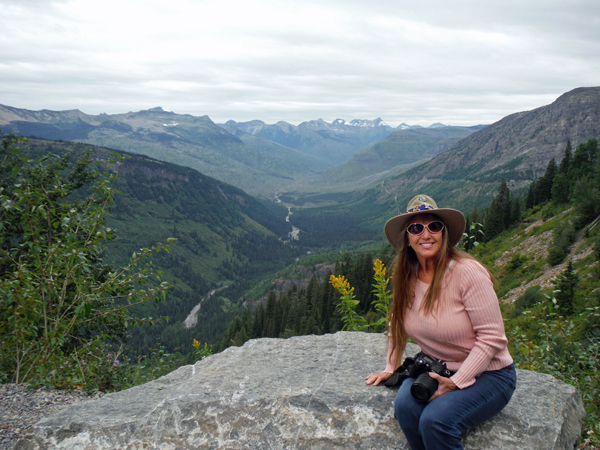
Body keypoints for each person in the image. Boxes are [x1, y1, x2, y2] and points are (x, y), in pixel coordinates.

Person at [365, 194, 516, 450]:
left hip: (490, 374)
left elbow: (492, 337)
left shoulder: (467, 272)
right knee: (404, 406)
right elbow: (396, 325)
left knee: (436, 421)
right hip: (439, 366)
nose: (426, 234)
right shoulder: (408, 277)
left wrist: (457, 382)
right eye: (416, 228)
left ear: (443, 233)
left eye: (434, 226)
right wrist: (391, 367)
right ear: (407, 238)